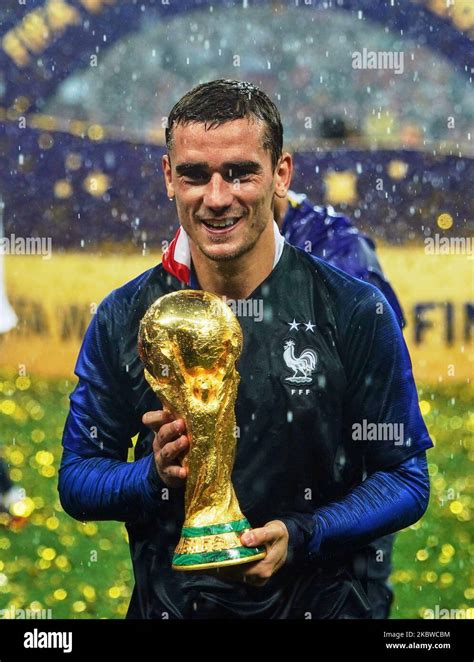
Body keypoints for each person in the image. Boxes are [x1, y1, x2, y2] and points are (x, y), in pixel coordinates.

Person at [58, 79, 432, 619]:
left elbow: (405, 477)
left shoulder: (352, 307)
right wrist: (152, 476)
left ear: (281, 174)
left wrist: (305, 533)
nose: (216, 197)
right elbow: (77, 478)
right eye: (194, 175)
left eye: (239, 173)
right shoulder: (127, 316)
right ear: (168, 177)